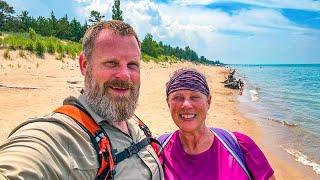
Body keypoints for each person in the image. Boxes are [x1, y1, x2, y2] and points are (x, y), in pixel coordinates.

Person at [0, 20, 164, 180]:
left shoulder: (132, 121)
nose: (125, 75)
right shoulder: (65, 135)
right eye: (111, 63)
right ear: (84, 65)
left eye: (132, 65)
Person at [158, 68, 275, 180]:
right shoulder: (158, 150)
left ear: (208, 102)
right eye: (178, 97)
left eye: (194, 97)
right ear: (168, 103)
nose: (186, 105)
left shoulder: (240, 146)